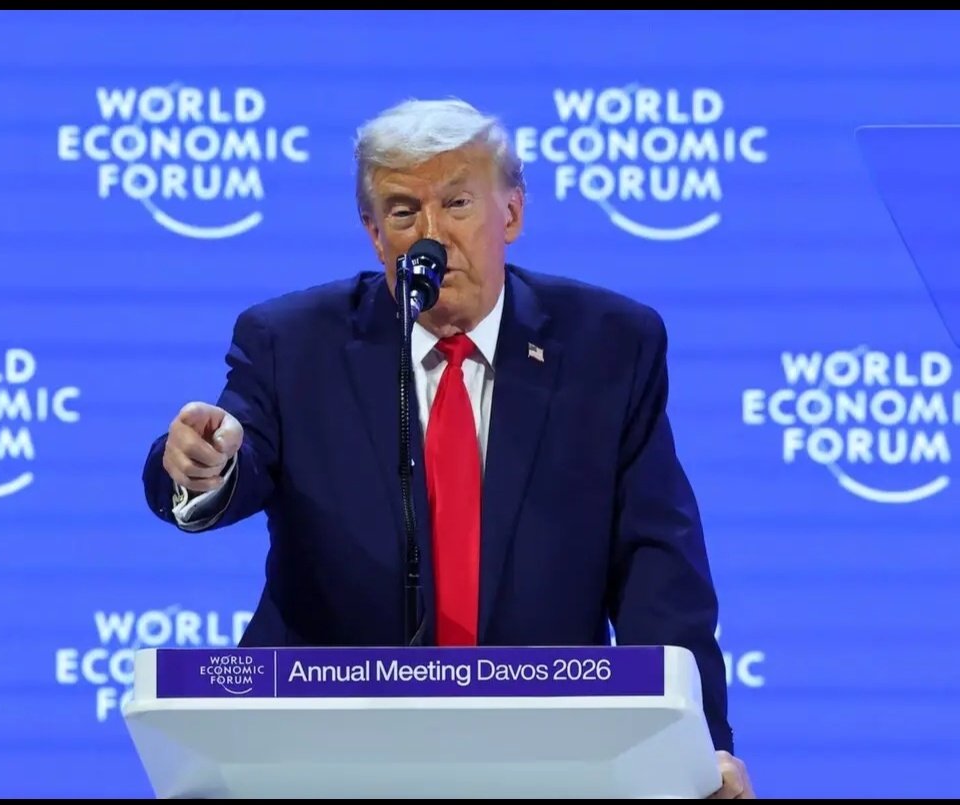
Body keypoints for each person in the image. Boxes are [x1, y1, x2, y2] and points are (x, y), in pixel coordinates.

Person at [142, 97, 755, 799]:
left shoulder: (609, 346)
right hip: (325, 751)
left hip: (547, 749)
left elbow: (657, 566)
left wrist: (698, 749)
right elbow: (236, 450)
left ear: (511, 214)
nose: (430, 237)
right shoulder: (293, 342)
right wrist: (204, 465)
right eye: (404, 213)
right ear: (375, 235)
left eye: (457, 203)